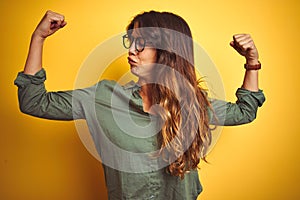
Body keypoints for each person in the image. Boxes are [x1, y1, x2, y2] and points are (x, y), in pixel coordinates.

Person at [14, 10, 265, 200]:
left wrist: (252, 62)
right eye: (131, 41)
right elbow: (34, 102)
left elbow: (245, 111)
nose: (132, 50)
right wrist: (38, 38)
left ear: (168, 50)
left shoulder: (193, 103)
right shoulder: (103, 98)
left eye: (141, 42)